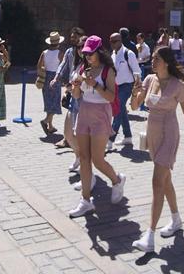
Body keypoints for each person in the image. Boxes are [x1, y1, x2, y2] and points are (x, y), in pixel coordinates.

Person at [130, 46, 184, 254]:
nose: (152, 61)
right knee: (165, 180)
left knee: (157, 181)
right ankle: (176, 219)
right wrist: (135, 93)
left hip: (169, 132)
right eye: (152, 58)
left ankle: (150, 235)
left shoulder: (178, 85)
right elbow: (134, 106)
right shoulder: (149, 79)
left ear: (166, 62)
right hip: (153, 133)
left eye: (156, 59)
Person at [68, 36, 127, 218]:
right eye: (85, 53)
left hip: (101, 113)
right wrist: (75, 86)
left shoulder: (108, 70)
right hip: (84, 111)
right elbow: (77, 95)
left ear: (99, 52)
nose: (87, 57)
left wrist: (95, 84)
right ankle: (85, 200)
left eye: (90, 53)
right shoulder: (83, 69)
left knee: (97, 159)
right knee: (84, 157)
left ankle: (117, 180)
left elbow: (110, 97)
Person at [108, 32, 142, 151]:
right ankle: (128, 137)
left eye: (115, 41)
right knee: (121, 110)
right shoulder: (112, 54)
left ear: (120, 41)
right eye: (111, 42)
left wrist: (137, 88)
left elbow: (137, 71)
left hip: (127, 86)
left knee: (118, 110)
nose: (113, 44)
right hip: (115, 87)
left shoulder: (129, 53)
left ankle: (110, 140)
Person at [54, 29, 85, 153]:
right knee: (71, 114)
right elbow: (63, 65)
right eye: (71, 37)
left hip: (82, 89)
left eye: (75, 37)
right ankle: (67, 139)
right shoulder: (69, 51)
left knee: (78, 116)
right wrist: (57, 77)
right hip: (72, 86)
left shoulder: (87, 54)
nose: (72, 39)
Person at [37, 31, 64, 136]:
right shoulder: (60, 53)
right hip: (55, 78)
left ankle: (50, 126)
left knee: (49, 102)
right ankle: (45, 121)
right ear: (58, 42)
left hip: (46, 78)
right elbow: (62, 66)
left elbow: (39, 66)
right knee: (55, 102)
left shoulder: (44, 52)